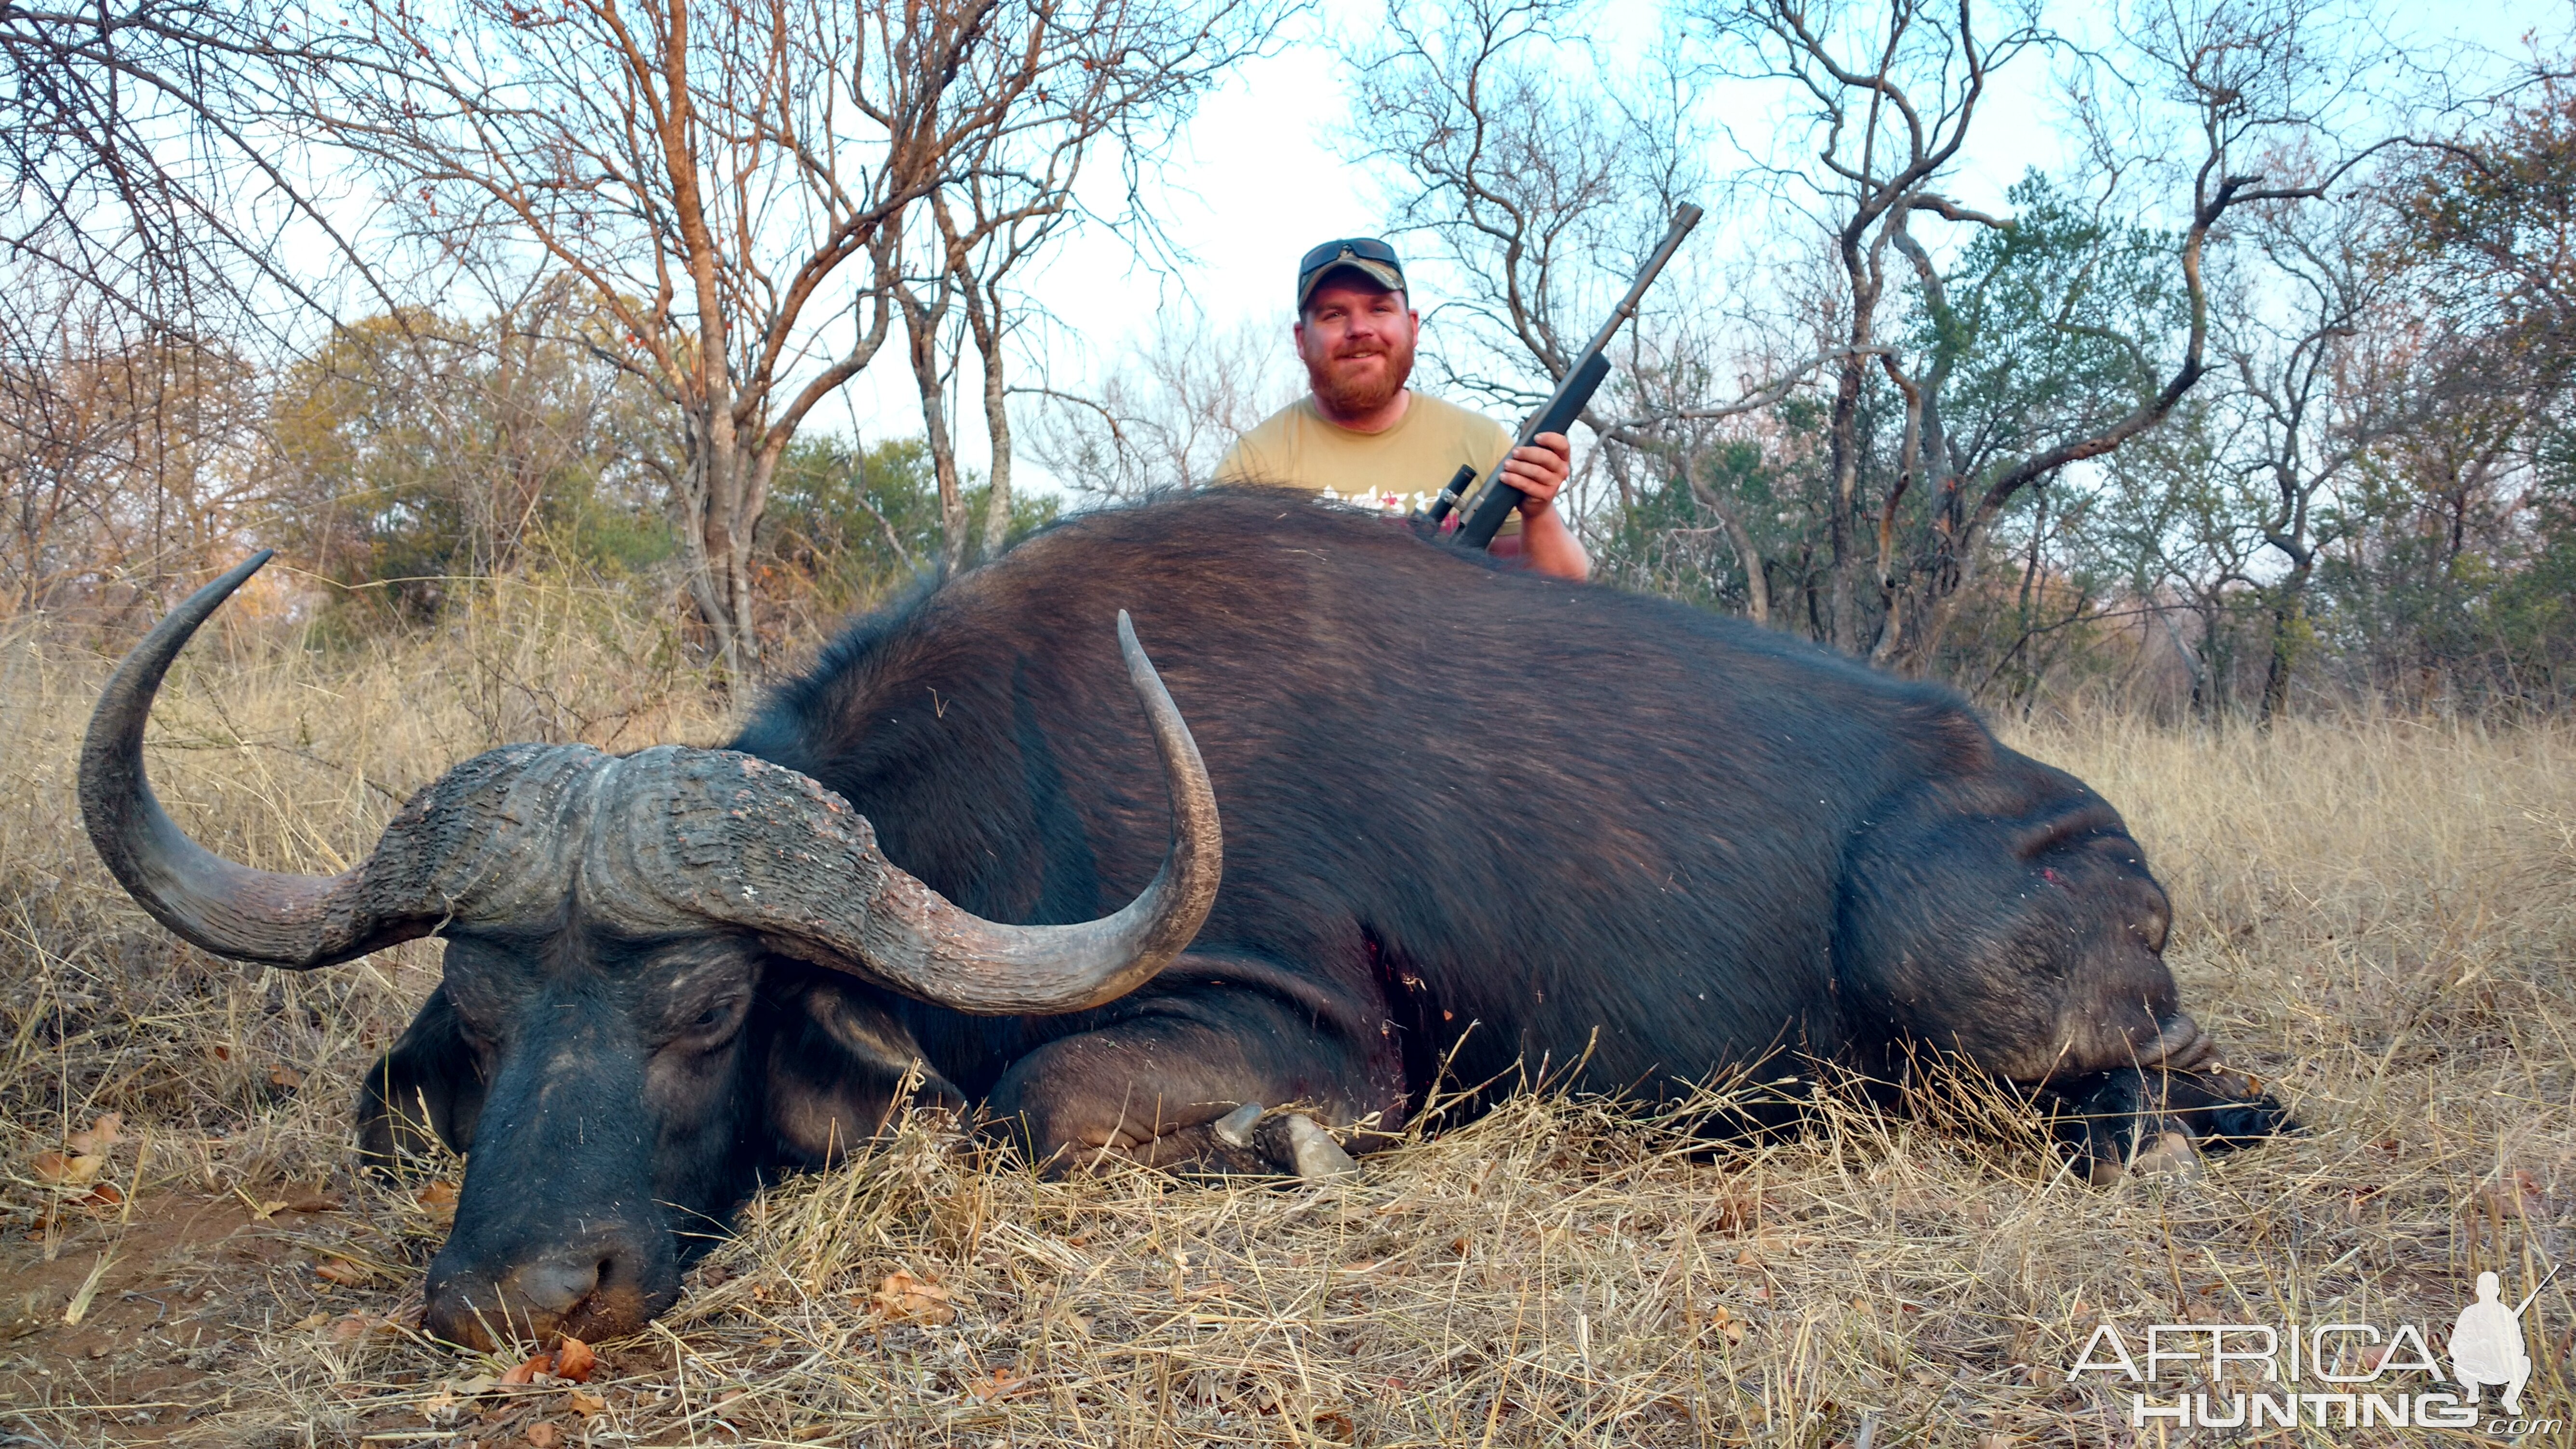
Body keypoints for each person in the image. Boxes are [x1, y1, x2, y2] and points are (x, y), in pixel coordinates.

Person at [1213, 237, 1591, 581]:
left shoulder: (1482, 440)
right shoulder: (1253, 464)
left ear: (1412, 326)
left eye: (1379, 309)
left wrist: (1539, 513)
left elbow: (1562, 590)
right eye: (1334, 314)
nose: (1359, 328)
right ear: (1301, 339)